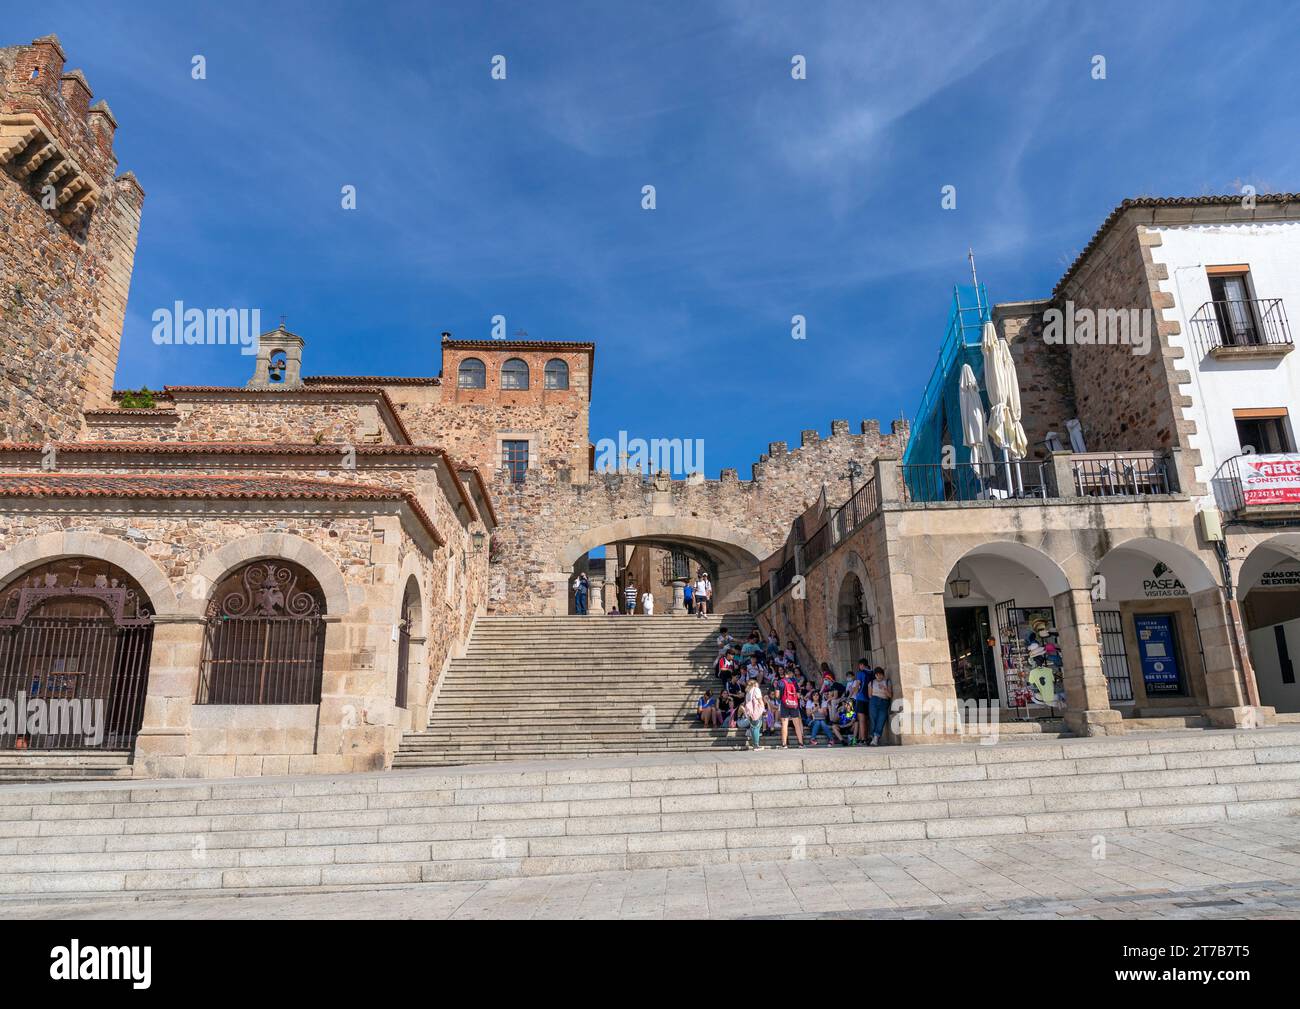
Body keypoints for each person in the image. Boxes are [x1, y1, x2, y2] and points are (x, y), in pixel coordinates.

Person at [777, 667, 804, 748]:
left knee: (784, 724)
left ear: (784, 674)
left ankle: (784, 744)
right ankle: (801, 743)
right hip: (794, 704)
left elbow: (777, 695)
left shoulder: (780, 682)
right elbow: (798, 695)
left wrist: (783, 697)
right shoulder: (794, 682)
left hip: (784, 704)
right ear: (790, 674)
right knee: (797, 724)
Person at [867, 667, 892, 746]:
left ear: (883, 675)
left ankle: (876, 737)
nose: (879, 676)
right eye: (877, 675)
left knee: (881, 719)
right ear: (875, 675)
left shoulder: (887, 682)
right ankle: (873, 737)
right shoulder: (871, 683)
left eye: (880, 674)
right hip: (874, 701)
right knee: (873, 719)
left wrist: (885, 690)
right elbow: (870, 695)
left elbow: (890, 695)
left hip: (884, 701)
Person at [741, 677, 765, 751]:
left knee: (753, 727)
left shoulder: (748, 692)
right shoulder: (756, 689)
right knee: (757, 727)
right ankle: (756, 745)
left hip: (750, 711)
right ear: (754, 683)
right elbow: (760, 699)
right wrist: (763, 708)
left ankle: (754, 744)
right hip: (756, 710)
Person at [852, 659, 871, 745]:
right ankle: (866, 737)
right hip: (869, 699)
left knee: (861, 720)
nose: (859, 667)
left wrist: (854, 695)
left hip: (861, 698)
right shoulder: (872, 673)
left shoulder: (860, 673)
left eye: (860, 665)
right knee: (867, 720)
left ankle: (863, 739)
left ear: (862, 665)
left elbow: (857, 685)